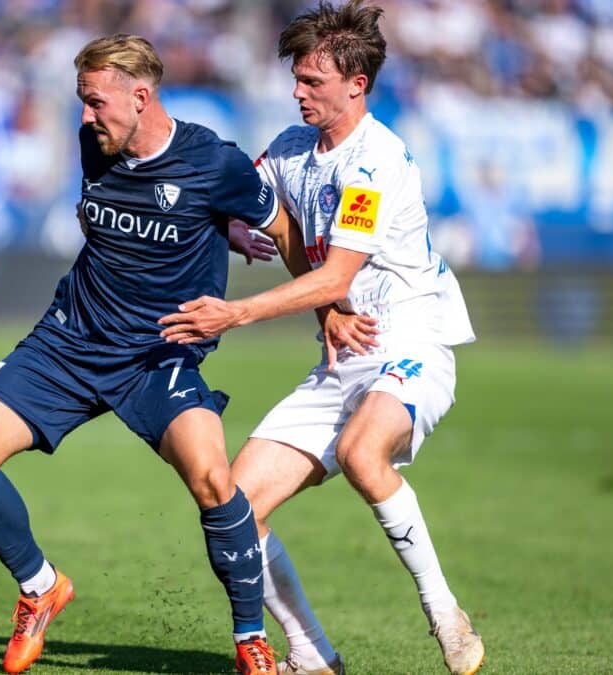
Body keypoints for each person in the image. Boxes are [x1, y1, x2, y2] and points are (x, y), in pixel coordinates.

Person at [0, 33, 310, 675]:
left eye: (94, 102)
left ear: (141, 96)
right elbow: (128, 213)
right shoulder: (95, 144)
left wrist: (326, 312)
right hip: (69, 342)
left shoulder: (216, 163)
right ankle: (40, 587)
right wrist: (218, 226)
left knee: (216, 482)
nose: (84, 116)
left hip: (157, 358)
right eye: (82, 102)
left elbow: (287, 234)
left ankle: (251, 639)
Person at [158, 2, 486, 674]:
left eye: (312, 82)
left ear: (355, 86)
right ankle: (311, 654)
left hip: (410, 340)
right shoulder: (287, 149)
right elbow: (242, 206)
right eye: (298, 78)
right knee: (232, 508)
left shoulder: (376, 162)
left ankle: (445, 613)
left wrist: (234, 313)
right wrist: (230, 226)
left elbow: (337, 271)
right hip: (343, 352)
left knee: (363, 453)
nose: (298, 91)